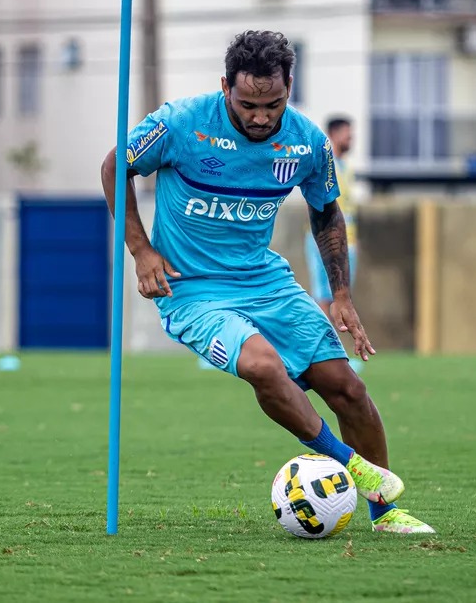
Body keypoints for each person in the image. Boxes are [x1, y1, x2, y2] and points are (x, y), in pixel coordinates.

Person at [100, 30, 433, 534]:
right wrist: (141, 250)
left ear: (289, 88)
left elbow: (326, 212)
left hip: (264, 282)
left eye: (272, 105)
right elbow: (114, 166)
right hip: (191, 289)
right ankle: (352, 464)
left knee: (346, 387)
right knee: (261, 364)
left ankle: (387, 516)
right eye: (248, 105)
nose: (260, 117)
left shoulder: (307, 142)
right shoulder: (180, 123)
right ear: (225, 87)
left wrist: (341, 294)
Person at [305, 117, 357, 314]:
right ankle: (324, 333)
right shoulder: (325, 164)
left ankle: (334, 333)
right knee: (323, 294)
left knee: (343, 296)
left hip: (348, 240)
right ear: (333, 134)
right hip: (325, 237)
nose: (351, 138)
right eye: (347, 134)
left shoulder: (347, 167)